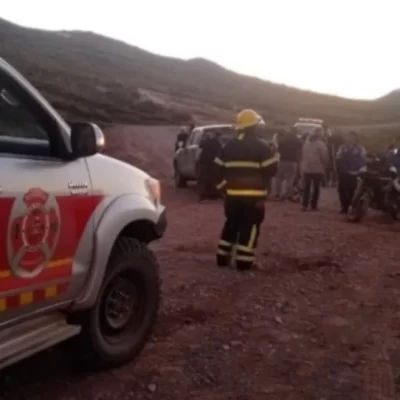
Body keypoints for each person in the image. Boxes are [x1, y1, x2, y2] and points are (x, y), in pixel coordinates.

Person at [214, 109, 279, 271]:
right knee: (249, 227)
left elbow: (216, 171)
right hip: (254, 198)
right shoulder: (262, 146)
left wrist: (223, 189)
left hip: (231, 197)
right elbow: (272, 171)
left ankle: (222, 258)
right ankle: (244, 262)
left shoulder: (228, 146)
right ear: (254, 126)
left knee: (231, 224)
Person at [336, 131, 366, 214]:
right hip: (343, 172)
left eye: (352, 137)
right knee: (341, 190)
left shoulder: (360, 148)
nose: (349, 139)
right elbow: (338, 157)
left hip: (355, 173)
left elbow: (363, 159)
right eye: (348, 137)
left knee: (352, 190)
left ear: (355, 138)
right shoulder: (342, 147)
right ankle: (344, 207)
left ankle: (350, 206)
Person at [301, 128, 328, 211]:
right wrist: (325, 165)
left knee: (306, 188)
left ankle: (304, 205)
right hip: (317, 169)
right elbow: (324, 157)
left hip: (306, 168)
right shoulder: (321, 144)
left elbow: (303, 154)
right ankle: (313, 205)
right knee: (316, 188)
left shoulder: (306, 143)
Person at [274, 128, 302, 200]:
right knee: (291, 179)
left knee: (279, 177)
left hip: (283, 160)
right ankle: (290, 195)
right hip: (293, 161)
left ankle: (277, 194)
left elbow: (278, 149)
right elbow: (300, 151)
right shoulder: (297, 140)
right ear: (296, 132)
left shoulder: (283, 139)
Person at [197, 131, 223, 200]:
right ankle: (207, 195)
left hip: (207, 162)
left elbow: (201, 145)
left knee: (207, 179)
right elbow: (201, 145)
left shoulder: (213, 142)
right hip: (208, 162)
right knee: (208, 179)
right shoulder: (214, 142)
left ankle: (208, 195)